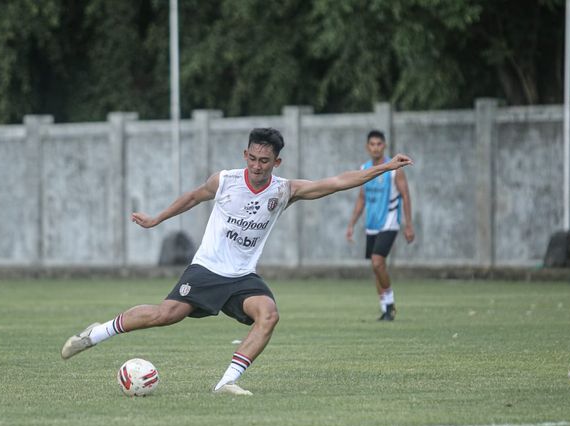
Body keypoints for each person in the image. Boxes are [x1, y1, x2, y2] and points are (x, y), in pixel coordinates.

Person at [62, 128, 413, 395]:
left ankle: (227, 382)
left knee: (269, 314)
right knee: (163, 315)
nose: (258, 167)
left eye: (265, 161)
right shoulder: (226, 180)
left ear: (277, 162)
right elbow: (193, 197)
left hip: (242, 276)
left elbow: (336, 182)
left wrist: (385, 168)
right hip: (207, 269)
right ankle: (96, 333)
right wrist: (156, 219)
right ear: (245, 154)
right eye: (253, 159)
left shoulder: (283, 190)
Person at [345, 130, 414, 321]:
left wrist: (409, 225)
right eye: (372, 144)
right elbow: (361, 198)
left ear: (384, 146)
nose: (375, 147)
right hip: (372, 224)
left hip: (390, 222)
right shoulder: (364, 168)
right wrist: (351, 224)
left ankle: (390, 302)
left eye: (379, 144)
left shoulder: (394, 168)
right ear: (367, 147)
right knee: (376, 267)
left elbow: (405, 195)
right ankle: (385, 309)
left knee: (377, 261)